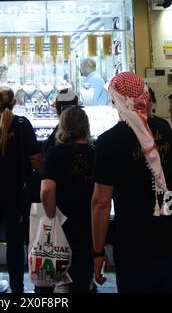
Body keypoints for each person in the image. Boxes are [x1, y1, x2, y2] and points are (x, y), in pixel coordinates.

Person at [92, 72, 172, 293]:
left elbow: (101, 202)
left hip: (133, 245)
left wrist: (98, 251)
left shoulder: (109, 142)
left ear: (118, 100)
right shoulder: (164, 130)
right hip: (166, 239)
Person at [0, 86, 44, 294]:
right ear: (15, 102)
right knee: (16, 244)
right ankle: (17, 288)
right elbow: (36, 159)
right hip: (17, 194)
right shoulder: (23, 124)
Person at [41, 106, 95, 292]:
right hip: (88, 230)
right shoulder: (95, 154)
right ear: (86, 127)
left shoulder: (55, 154)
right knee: (81, 283)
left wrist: (50, 218)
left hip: (60, 231)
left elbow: (47, 189)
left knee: (48, 284)